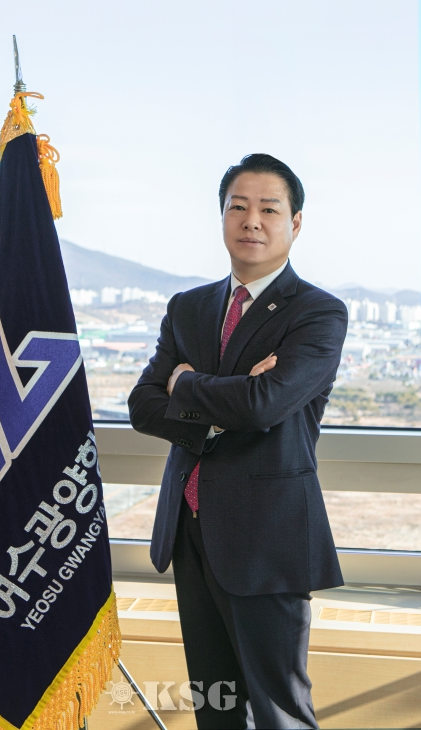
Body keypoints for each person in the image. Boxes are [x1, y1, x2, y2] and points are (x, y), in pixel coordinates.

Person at [128, 153, 347, 729]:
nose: (251, 220)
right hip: (190, 530)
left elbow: (264, 404)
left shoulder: (318, 312)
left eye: (269, 209)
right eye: (238, 207)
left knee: (279, 711)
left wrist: (186, 383)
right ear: (222, 216)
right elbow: (143, 406)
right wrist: (228, 403)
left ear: (294, 223)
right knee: (216, 705)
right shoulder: (189, 307)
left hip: (266, 539)